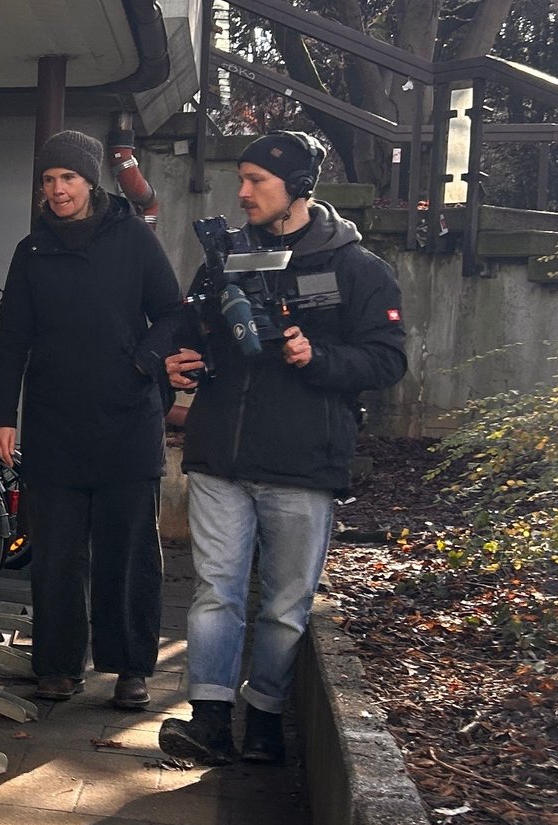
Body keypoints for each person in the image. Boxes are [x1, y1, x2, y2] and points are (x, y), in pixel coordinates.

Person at [143, 131, 406, 765]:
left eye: (257, 180)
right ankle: (209, 720)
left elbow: (388, 359)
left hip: (303, 466)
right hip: (220, 459)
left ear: (299, 187)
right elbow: (196, 324)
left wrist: (320, 357)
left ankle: (263, 720)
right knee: (215, 593)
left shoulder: (359, 269)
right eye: (242, 178)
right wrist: (178, 361)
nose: (243, 192)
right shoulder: (226, 256)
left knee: (286, 606)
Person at [0, 130, 181, 710]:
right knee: (56, 554)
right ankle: (58, 666)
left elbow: (172, 314)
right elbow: (11, 339)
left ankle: (130, 669)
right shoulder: (33, 251)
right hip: (54, 426)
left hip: (127, 423)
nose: (57, 190)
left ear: (89, 182)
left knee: (128, 554)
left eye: (67, 178)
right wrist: (3, 417)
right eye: (48, 181)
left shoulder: (132, 240)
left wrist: (144, 361)